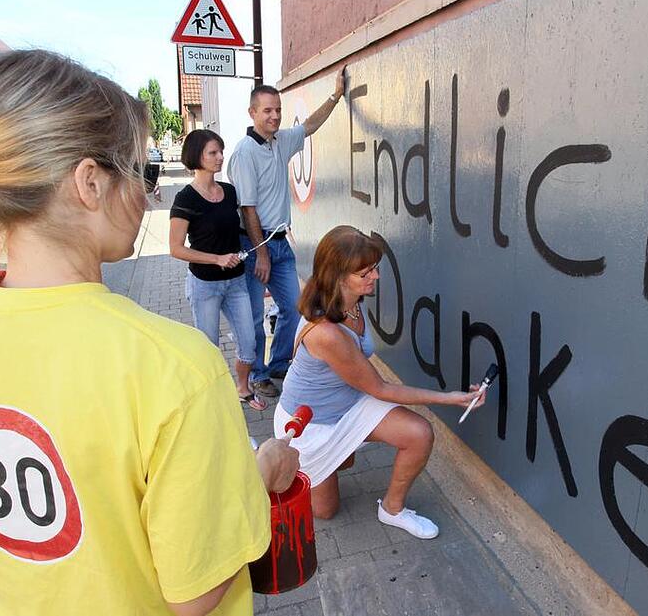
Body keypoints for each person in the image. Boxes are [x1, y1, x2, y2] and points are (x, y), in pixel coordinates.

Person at [0, 50, 298, 616]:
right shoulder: (176, 367)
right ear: (89, 182)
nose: (146, 196)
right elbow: (196, 593)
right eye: (139, 172)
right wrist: (260, 474)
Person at [274, 226, 486, 539]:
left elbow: (368, 383)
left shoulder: (352, 301)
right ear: (339, 276)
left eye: (375, 268)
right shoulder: (327, 332)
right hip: (310, 424)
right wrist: (450, 398)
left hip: (348, 402)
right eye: (366, 272)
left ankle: (392, 509)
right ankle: (275, 462)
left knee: (419, 433)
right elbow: (381, 389)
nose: (375, 276)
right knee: (325, 511)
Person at [227, 68, 346, 398]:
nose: (274, 116)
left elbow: (309, 127)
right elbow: (246, 208)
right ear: (253, 113)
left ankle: (279, 362)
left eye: (278, 109)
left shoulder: (279, 142)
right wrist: (261, 252)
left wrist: (335, 96)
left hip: (280, 242)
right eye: (267, 110)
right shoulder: (244, 152)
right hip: (255, 245)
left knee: (295, 307)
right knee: (252, 316)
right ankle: (257, 375)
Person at [170, 129, 265, 411]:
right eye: (213, 152)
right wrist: (217, 259)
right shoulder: (185, 198)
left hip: (236, 282)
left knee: (249, 343)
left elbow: (239, 227)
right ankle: (213, 399)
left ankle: (242, 388)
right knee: (209, 348)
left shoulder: (230, 192)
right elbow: (175, 248)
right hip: (205, 285)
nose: (220, 157)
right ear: (196, 157)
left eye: (221, 151)